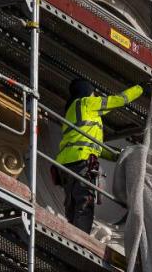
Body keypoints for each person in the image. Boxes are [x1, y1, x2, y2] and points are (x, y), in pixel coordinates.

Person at [57, 76, 145, 233]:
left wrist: (117, 155)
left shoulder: (71, 112)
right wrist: (141, 89)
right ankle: (80, 239)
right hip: (81, 161)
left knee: (72, 203)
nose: (95, 96)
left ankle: (72, 233)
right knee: (85, 202)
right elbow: (118, 100)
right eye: (93, 93)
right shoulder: (86, 103)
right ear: (87, 92)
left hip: (66, 164)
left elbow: (92, 145)